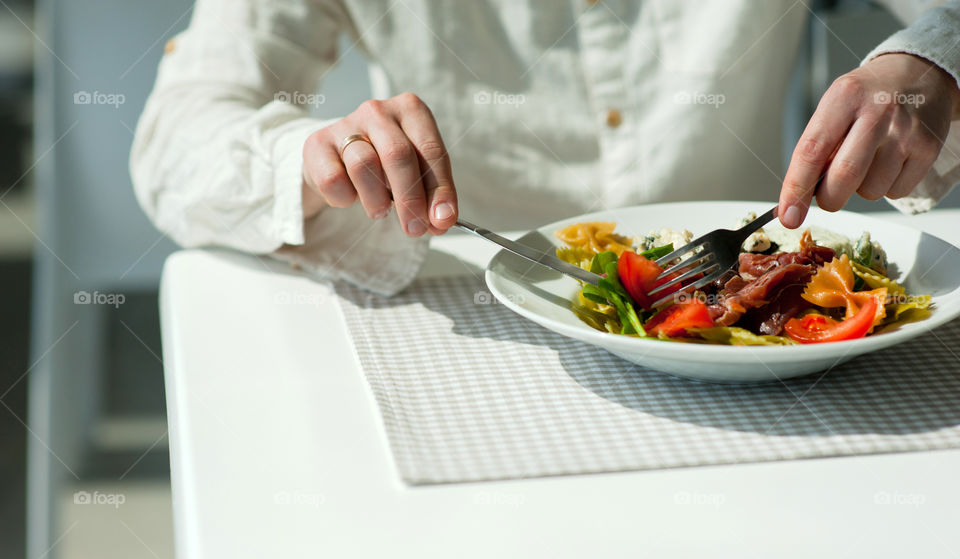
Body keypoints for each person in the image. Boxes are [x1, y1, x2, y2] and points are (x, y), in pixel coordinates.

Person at [131, 1, 960, 296]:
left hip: (758, 345)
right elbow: (175, 140)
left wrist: (931, 56)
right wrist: (313, 155)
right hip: (459, 313)